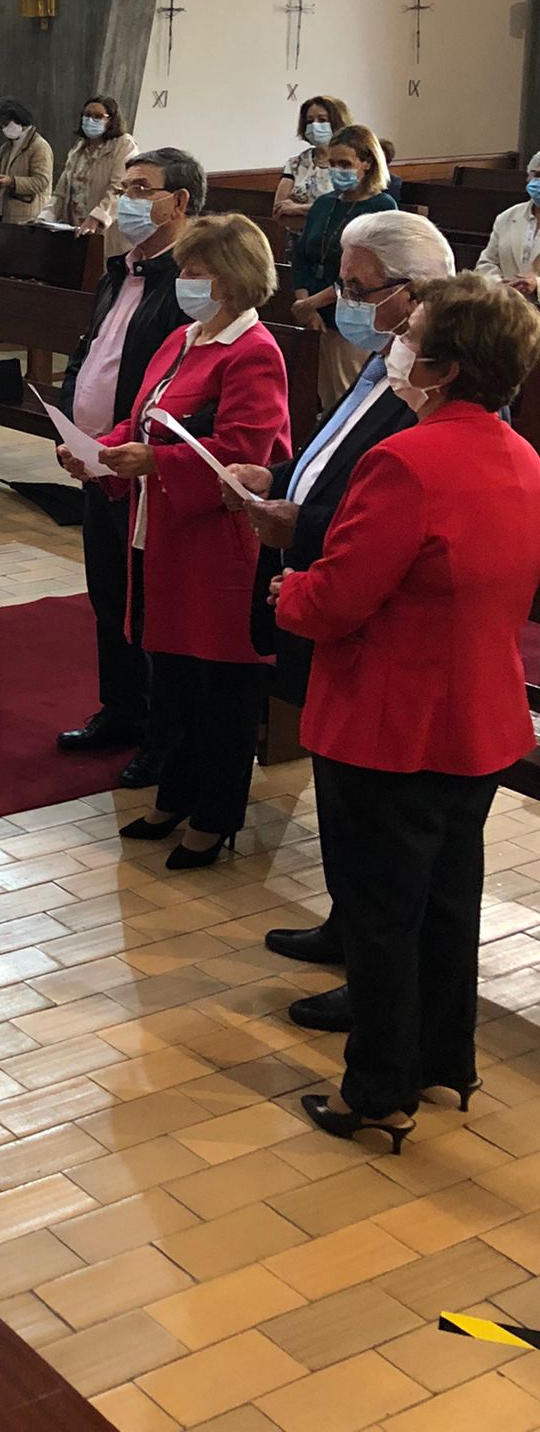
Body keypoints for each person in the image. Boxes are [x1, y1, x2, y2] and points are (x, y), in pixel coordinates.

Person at [275, 275, 540, 1152]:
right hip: (480, 717)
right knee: (446, 903)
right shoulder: (522, 455)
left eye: (413, 334)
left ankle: (379, 1092)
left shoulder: (407, 460)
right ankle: (441, 1060)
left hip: (393, 721)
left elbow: (339, 599)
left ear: (447, 366)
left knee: (381, 915)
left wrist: (290, 591)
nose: (398, 345)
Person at [231, 211, 454, 1037]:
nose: (344, 304)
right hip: (331, 603)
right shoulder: (381, 363)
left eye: (358, 290)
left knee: (375, 820)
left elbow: (394, 519)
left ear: (414, 293)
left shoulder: (431, 390)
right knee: (337, 788)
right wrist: (280, 475)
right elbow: (333, 456)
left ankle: (375, 974)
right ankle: (345, 919)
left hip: (373, 625)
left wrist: (304, 525)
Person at [64, 215, 290, 866]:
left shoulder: (254, 351)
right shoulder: (182, 339)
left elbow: (244, 453)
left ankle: (215, 817)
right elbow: (140, 422)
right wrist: (96, 454)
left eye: (196, 272)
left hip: (217, 543)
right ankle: (175, 797)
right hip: (162, 532)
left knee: (221, 688)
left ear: (232, 278)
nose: (183, 281)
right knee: (175, 679)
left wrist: (154, 463)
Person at [54, 147, 204, 787]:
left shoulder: (189, 284)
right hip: (101, 460)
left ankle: (161, 735)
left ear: (180, 202)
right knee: (109, 593)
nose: (128, 200)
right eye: (125, 188)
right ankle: (120, 710)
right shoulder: (120, 272)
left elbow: (175, 383)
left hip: (143, 468)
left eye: (142, 189)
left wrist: (124, 446)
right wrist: (70, 418)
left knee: (148, 607)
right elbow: (91, 351)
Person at [292, 124, 397, 404]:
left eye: (346, 164)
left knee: (345, 397)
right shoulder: (323, 204)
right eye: (333, 163)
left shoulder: (381, 207)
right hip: (313, 317)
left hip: (352, 317)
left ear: (366, 163)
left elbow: (366, 273)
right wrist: (305, 304)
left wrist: (313, 302)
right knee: (313, 397)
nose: (338, 170)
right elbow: (301, 256)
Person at [44, 94, 138, 258]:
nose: (90, 120)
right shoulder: (78, 149)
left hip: (107, 232)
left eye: (98, 116)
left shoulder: (124, 145)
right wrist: (44, 217)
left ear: (111, 120)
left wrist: (96, 218)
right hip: (75, 231)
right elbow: (61, 193)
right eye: (87, 115)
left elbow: (119, 189)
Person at [273, 95, 353, 226]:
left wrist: (297, 208)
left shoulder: (351, 162)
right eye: (310, 121)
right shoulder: (295, 163)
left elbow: (346, 209)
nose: (315, 125)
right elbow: (279, 211)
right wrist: (319, 214)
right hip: (298, 234)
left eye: (322, 120)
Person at [474, 151, 540, 297]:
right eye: (538, 175)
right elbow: (487, 263)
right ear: (528, 177)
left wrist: (536, 285)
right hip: (505, 302)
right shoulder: (507, 217)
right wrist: (498, 283)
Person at [0, 98, 54, 226]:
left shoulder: (39, 146)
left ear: (18, 118)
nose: (4, 129)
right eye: (1, 126)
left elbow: (41, 181)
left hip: (26, 214)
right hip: (0, 212)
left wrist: (12, 182)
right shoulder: (6, 148)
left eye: (6, 124)